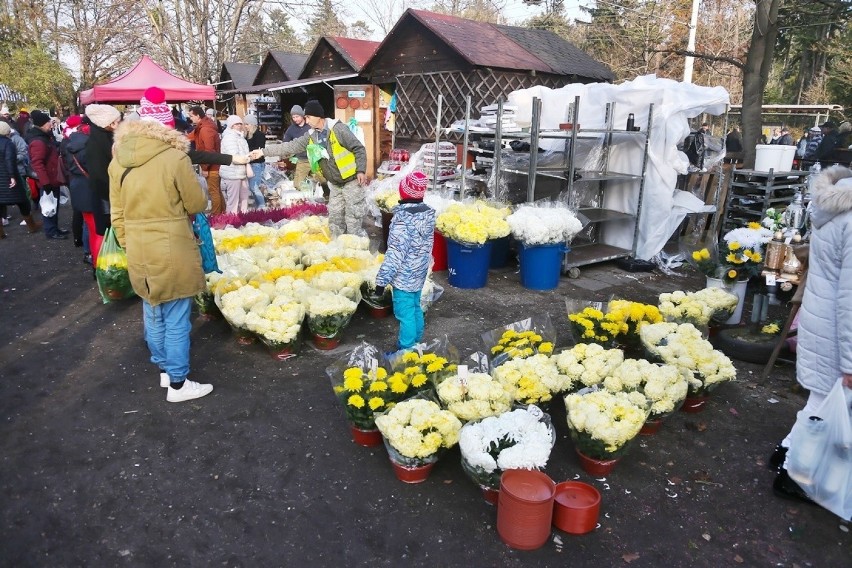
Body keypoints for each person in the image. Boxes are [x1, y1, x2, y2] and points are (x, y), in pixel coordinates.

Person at [109, 109, 213, 402]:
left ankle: (165, 371)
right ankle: (178, 384)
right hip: (172, 244)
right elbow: (195, 202)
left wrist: (129, 242)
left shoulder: (118, 162)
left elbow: (116, 214)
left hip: (139, 247)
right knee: (178, 315)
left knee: (153, 310)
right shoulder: (175, 158)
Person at [771, 165, 852, 503]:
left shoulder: (836, 207)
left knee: (822, 399)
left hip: (821, 321)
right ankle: (794, 473)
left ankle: (787, 453)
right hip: (837, 331)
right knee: (829, 404)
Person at [262, 100, 368, 236]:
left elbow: (358, 148)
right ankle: (338, 247)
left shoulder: (338, 129)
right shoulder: (311, 135)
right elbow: (290, 146)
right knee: (335, 218)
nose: (306, 121)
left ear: (319, 116)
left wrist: (361, 170)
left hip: (351, 180)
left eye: (308, 117)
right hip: (335, 184)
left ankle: (355, 247)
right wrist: (263, 152)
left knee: (353, 217)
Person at [375, 171, 435, 350]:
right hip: (419, 273)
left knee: (405, 314)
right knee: (415, 308)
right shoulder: (426, 215)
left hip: (404, 278)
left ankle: (407, 349)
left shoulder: (403, 220)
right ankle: (416, 341)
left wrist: (381, 281)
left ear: (403, 193)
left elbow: (395, 254)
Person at [62, 115, 102, 267]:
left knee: (88, 224)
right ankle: (95, 259)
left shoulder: (70, 143)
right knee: (95, 228)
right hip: (89, 187)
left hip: (77, 185)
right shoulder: (88, 146)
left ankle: (88, 252)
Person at [27, 110, 67, 240]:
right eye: (48, 122)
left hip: (52, 178)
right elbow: (38, 164)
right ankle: (51, 231)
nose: (51, 124)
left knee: (53, 205)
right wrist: (46, 183)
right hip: (48, 180)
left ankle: (54, 229)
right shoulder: (39, 141)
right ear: (42, 124)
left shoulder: (44, 137)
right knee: (49, 206)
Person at [85, 103, 123, 237]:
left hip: (108, 195)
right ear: (110, 123)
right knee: (109, 235)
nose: (120, 124)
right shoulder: (98, 144)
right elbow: (100, 177)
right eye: (118, 121)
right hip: (106, 198)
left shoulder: (103, 138)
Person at [0, 122, 41, 238]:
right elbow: (10, 161)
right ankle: (31, 225)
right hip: (9, 178)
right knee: (23, 201)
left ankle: (1, 233)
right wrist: (12, 176)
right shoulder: (8, 144)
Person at [187, 106, 224, 214]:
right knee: (216, 191)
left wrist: (205, 167)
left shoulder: (205, 129)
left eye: (191, 116)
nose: (190, 118)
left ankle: (217, 216)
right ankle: (223, 214)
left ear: (198, 116)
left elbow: (209, 151)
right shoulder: (203, 126)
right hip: (213, 164)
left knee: (214, 192)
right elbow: (190, 137)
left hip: (212, 165)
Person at [219, 115, 250, 213]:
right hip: (232, 173)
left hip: (241, 172)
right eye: (236, 124)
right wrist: (248, 158)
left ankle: (243, 220)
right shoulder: (229, 138)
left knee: (244, 199)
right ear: (231, 125)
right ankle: (231, 222)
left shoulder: (240, 136)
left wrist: (247, 157)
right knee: (233, 202)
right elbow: (234, 156)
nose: (239, 126)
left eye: (240, 124)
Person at [282, 105, 311, 191]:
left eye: (297, 116)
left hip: (314, 159)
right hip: (302, 160)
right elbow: (285, 143)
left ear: (302, 115)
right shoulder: (291, 129)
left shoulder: (310, 126)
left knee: (321, 180)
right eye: (293, 117)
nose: (295, 119)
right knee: (298, 184)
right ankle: (306, 199)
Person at [244, 114, 266, 208]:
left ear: (252, 124)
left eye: (247, 124)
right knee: (253, 187)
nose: (245, 126)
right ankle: (258, 205)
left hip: (257, 163)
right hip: (250, 163)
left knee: (254, 186)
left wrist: (247, 152)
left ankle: (262, 206)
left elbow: (258, 149)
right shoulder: (247, 135)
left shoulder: (259, 135)